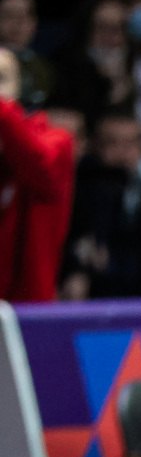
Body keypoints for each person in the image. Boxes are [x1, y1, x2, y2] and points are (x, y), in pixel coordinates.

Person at [52, 0, 141, 153]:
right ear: (86, 31)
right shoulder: (63, 67)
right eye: (104, 28)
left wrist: (121, 84)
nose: (114, 38)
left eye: (121, 28)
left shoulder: (139, 65)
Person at [0, 46, 75, 303]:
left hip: (28, 309)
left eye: (1, 78)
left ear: (21, 88)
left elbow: (42, 171)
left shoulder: (56, 141)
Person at [61, 109, 141, 300]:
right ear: (96, 146)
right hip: (97, 285)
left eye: (130, 143)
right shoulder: (85, 185)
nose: (122, 151)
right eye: (112, 143)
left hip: (140, 283)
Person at [0, 0, 54, 111]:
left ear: (34, 22)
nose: (17, 24)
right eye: (8, 16)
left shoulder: (45, 67)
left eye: (24, 16)